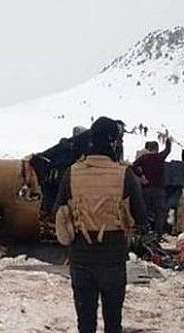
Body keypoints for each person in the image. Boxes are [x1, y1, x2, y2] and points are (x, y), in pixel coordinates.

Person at [55, 116, 147, 333]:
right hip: (113, 257)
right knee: (113, 323)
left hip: (80, 257)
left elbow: (57, 211)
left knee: (85, 324)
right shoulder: (125, 174)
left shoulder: (72, 173)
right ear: (114, 142)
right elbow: (141, 216)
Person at [133, 135, 172, 234]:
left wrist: (141, 176)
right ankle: (158, 233)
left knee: (144, 211)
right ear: (157, 148)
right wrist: (167, 139)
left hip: (145, 189)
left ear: (148, 149)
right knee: (160, 213)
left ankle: (144, 232)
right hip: (159, 190)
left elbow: (133, 166)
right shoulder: (160, 157)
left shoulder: (143, 158)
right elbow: (168, 149)